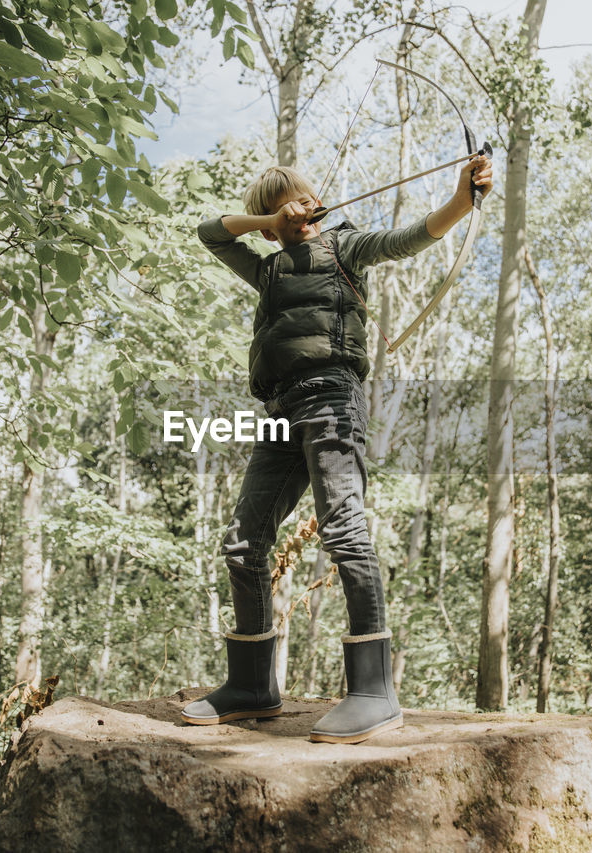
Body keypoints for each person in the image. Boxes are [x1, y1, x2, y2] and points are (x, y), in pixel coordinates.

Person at [182, 152, 493, 744]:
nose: (293, 214)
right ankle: (251, 686)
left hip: (329, 397)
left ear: (316, 201)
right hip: (279, 411)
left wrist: (463, 196)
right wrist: (269, 223)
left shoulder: (343, 248)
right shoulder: (269, 269)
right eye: (276, 212)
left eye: (298, 201)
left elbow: (414, 236)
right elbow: (209, 233)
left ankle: (374, 692)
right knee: (243, 543)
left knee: (343, 529)